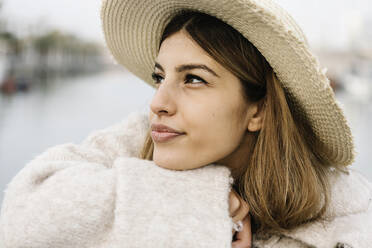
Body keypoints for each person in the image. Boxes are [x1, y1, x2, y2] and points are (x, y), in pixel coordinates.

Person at [1, 0, 371, 248]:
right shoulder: (137, 142)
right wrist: (193, 203)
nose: (157, 103)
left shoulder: (348, 221)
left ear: (258, 110)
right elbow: (20, 218)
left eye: (194, 79)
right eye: (160, 77)